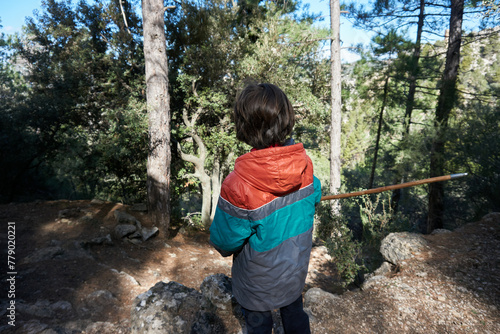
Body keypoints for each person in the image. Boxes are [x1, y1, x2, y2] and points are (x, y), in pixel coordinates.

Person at [209, 83, 322, 334]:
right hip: (293, 270)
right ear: (287, 120)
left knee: (259, 326)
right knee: (295, 317)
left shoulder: (238, 184)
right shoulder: (303, 166)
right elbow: (315, 193)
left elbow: (224, 241)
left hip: (257, 283)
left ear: (244, 127)